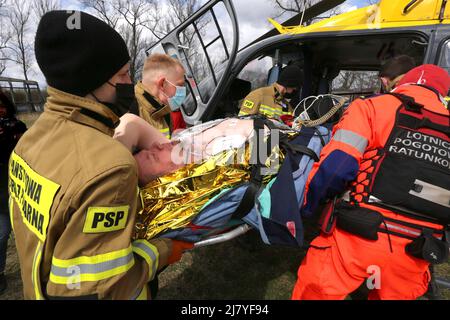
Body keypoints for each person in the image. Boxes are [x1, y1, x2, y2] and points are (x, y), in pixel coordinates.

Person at [8, 11, 191, 300]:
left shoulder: (27, 142)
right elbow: (103, 287)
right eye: (121, 75)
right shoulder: (109, 167)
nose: (129, 83)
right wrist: (165, 249)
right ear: (88, 80)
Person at [291, 64, 450, 300]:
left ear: (403, 83)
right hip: (418, 247)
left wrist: (308, 207)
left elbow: (336, 168)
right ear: (442, 95)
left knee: (317, 292)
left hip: (355, 236)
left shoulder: (373, 107)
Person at [0, 89, 26, 295]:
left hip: (19, 190)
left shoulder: (18, 127)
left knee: (25, 234)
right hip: (1, 195)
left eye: (2, 106)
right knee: (1, 234)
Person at [135, 54, 187, 139]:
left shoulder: (163, 109)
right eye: (180, 85)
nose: (183, 90)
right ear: (162, 84)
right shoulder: (131, 113)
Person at [238, 64, 303, 120]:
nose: (293, 92)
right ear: (289, 84)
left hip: (276, 134)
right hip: (257, 134)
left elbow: (289, 128)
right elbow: (242, 122)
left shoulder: (287, 106)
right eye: (294, 88)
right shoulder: (258, 96)